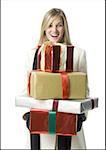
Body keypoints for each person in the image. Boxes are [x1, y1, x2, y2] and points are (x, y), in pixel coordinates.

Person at [21, 8, 89, 150]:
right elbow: (26, 89)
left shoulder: (77, 54)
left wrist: (82, 117)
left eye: (59, 25)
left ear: (65, 27)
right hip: (41, 130)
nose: (55, 30)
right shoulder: (33, 54)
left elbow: (84, 90)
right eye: (50, 25)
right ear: (44, 28)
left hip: (71, 126)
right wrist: (26, 115)